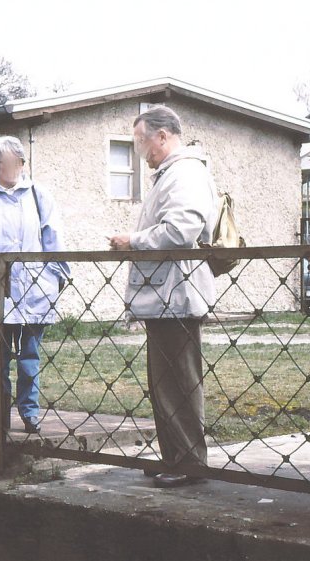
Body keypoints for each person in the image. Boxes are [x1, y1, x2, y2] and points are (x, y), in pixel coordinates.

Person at [109, 105, 217, 488]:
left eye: (143, 141)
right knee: (166, 382)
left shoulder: (184, 173)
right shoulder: (172, 174)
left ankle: (190, 463)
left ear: (163, 135)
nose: (142, 151)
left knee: (178, 382)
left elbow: (181, 229)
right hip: (168, 294)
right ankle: (177, 457)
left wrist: (132, 241)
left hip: (177, 294)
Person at [0, 135, 69, 434]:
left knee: (30, 356)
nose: (14, 167)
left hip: (34, 288)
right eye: (6, 163)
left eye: (18, 162)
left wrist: (58, 276)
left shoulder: (38, 195)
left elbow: (53, 238)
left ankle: (29, 413)